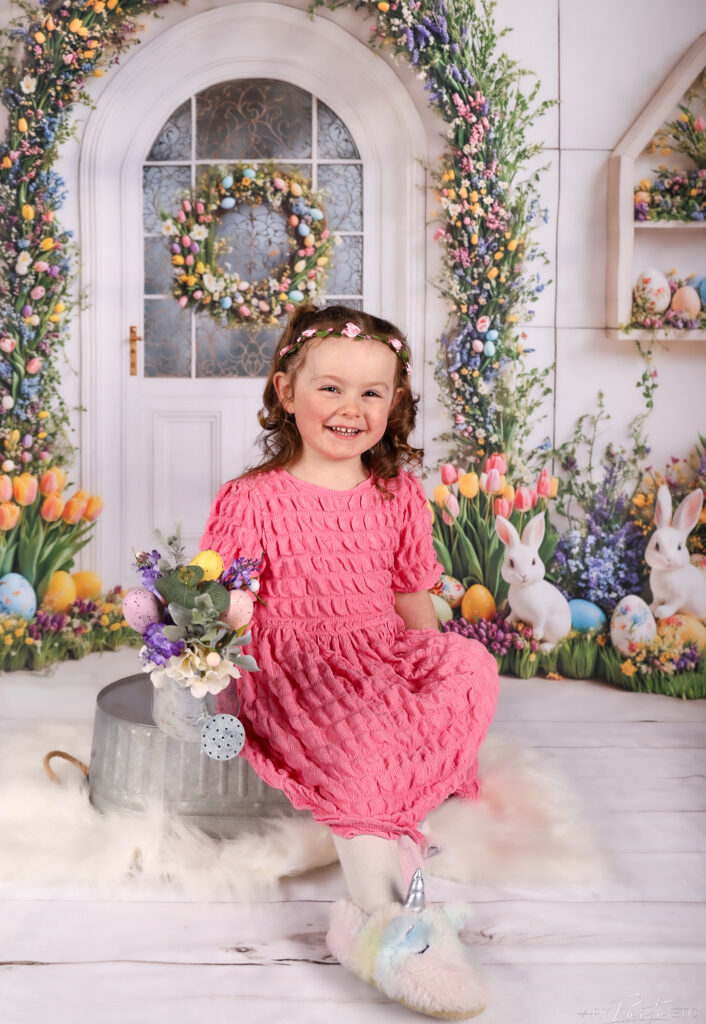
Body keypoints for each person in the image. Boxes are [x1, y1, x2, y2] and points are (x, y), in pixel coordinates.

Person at [200, 303, 499, 1019]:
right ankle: (383, 918)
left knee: (468, 665)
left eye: (371, 392)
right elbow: (225, 603)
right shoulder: (251, 499)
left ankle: (397, 832)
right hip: (295, 661)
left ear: (393, 403)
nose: (350, 408)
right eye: (329, 388)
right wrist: (213, 674)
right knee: (358, 738)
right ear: (286, 390)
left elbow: (410, 593)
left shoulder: (397, 495)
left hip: (377, 648)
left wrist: (425, 674)